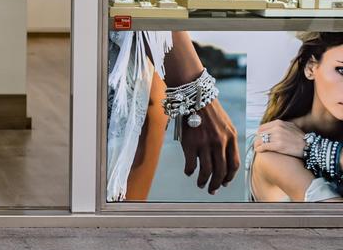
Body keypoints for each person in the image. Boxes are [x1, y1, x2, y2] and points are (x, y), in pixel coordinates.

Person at [106, 30, 239, 201]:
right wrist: (198, 99)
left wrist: (195, 95)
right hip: (123, 89)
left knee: (119, 218)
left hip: (140, 89)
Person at [251, 32, 343, 202]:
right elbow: (335, 221)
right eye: (341, 70)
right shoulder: (275, 146)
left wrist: (314, 147)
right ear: (310, 67)